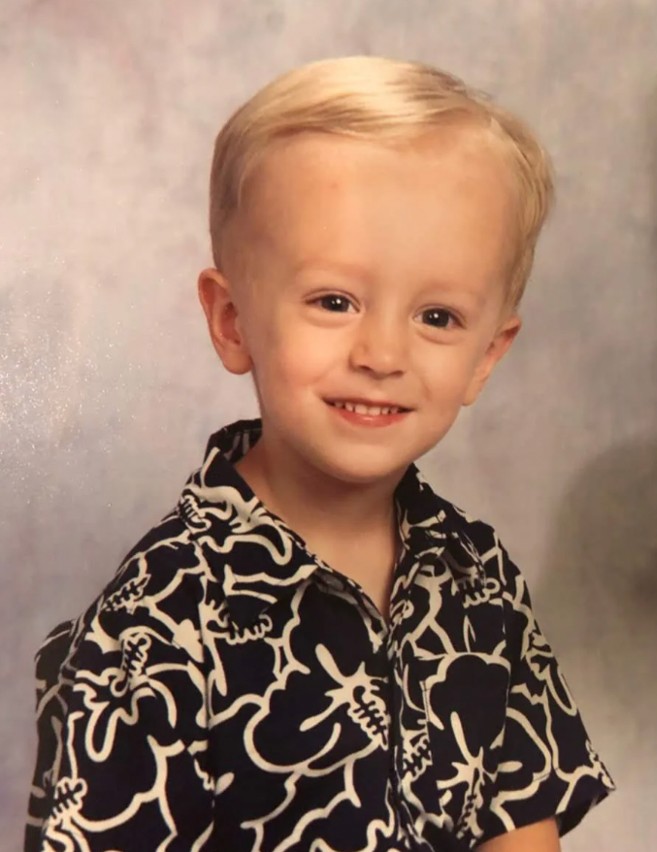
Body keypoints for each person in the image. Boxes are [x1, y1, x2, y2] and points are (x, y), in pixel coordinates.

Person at [28, 56, 613, 851]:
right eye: (335, 301)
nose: (382, 352)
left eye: (438, 316)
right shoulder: (155, 631)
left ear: (486, 355)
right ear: (233, 321)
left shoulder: (480, 581)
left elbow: (518, 820)